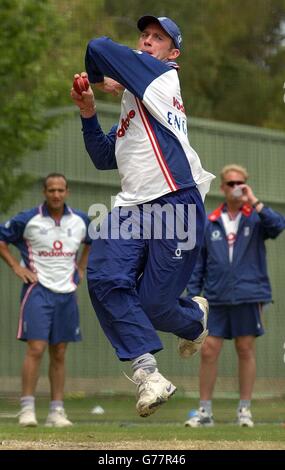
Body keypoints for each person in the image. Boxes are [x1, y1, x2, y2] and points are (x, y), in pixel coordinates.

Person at [71, 15, 215, 418]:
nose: (148, 41)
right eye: (145, 35)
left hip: (176, 202)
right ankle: (148, 373)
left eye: (158, 38)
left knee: (154, 306)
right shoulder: (136, 103)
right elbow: (105, 157)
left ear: (173, 55)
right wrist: (87, 112)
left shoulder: (160, 77)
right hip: (135, 206)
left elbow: (97, 47)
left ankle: (193, 320)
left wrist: (102, 79)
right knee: (102, 274)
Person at [185, 164, 285, 428]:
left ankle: (245, 411)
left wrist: (255, 201)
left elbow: (278, 226)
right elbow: (198, 263)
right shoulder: (210, 220)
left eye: (240, 182)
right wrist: (194, 297)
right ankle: (204, 412)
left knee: (245, 349)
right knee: (208, 350)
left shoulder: (256, 217)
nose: (236, 187)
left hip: (248, 295)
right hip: (216, 296)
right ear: (222, 188)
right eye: (230, 183)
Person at [0, 173, 91, 427]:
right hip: (37, 291)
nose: (56, 194)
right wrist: (17, 268)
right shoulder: (28, 219)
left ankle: (56, 411)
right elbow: (2, 239)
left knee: (59, 352)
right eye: (51, 190)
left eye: (61, 190)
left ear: (67, 192)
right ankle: (27, 409)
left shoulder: (81, 220)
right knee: (36, 348)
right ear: (44, 192)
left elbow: (91, 242)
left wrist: (81, 268)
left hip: (67, 293)